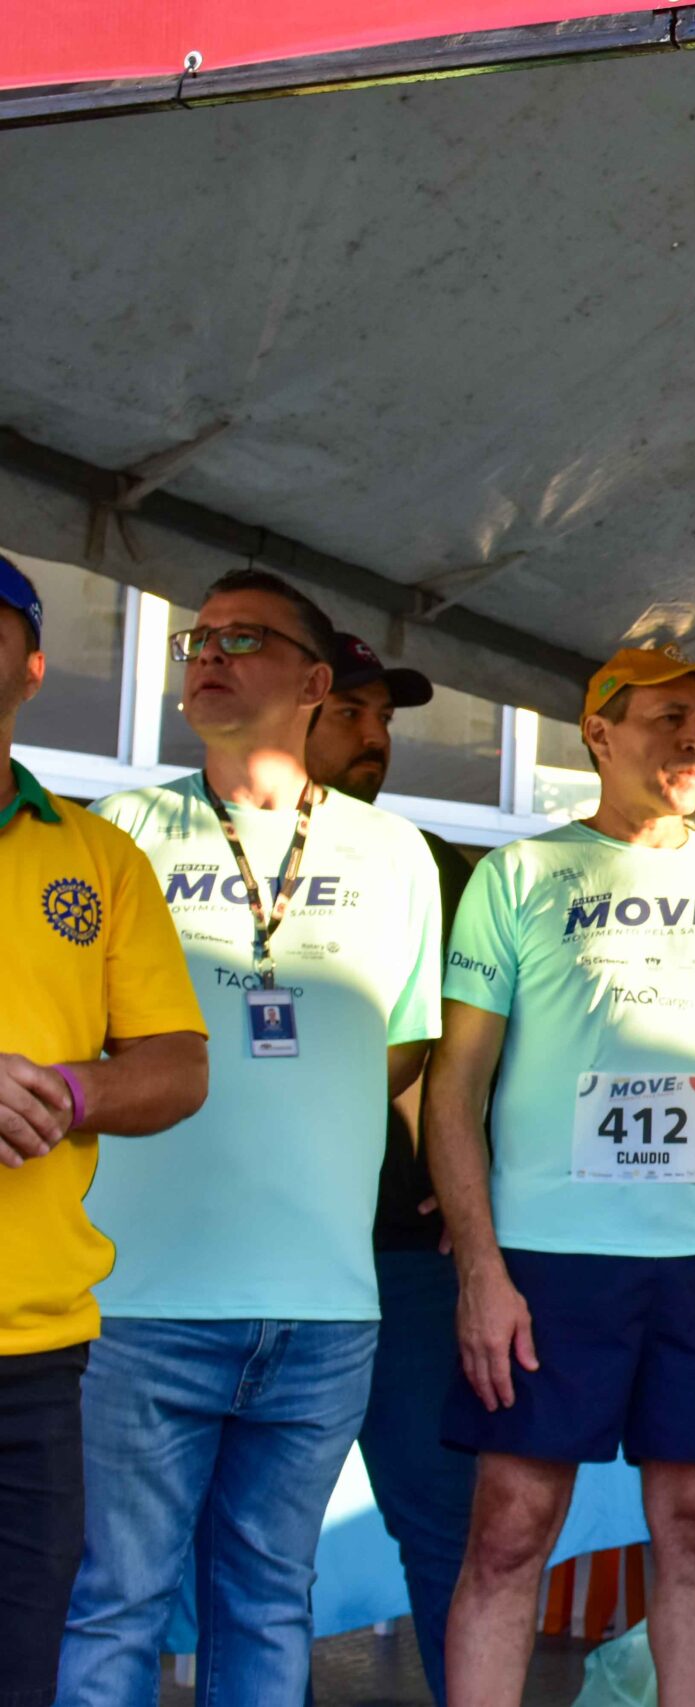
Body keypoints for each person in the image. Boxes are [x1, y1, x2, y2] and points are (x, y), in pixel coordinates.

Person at [60, 568, 445, 1706]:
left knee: (270, 1599)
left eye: (244, 639)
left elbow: (399, 1050)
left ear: (314, 681)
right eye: (199, 640)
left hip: (324, 1305)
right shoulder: (118, 832)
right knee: (116, 1598)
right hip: (139, 1297)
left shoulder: (396, 854)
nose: (209, 656)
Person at [429, 645, 695, 1707]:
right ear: (599, 733)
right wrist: (480, 1268)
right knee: (510, 1529)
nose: (694, 740)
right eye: (667, 718)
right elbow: (454, 1085)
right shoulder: (519, 875)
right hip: (547, 1259)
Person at [0, 556, 207, 1707]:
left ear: (34, 667)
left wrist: (66, 1093)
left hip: (35, 1355)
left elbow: (177, 1069)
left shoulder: (97, 855)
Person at [305, 630, 479, 1707]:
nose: (376, 737)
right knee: (254, 1534)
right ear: (296, 703)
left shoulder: (433, 864)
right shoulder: (193, 855)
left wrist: (479, 1188)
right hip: (254, 1250)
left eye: (385, 720)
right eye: (352, 714)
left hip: (404, 1251)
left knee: (443, 1519)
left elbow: (487, 1047)